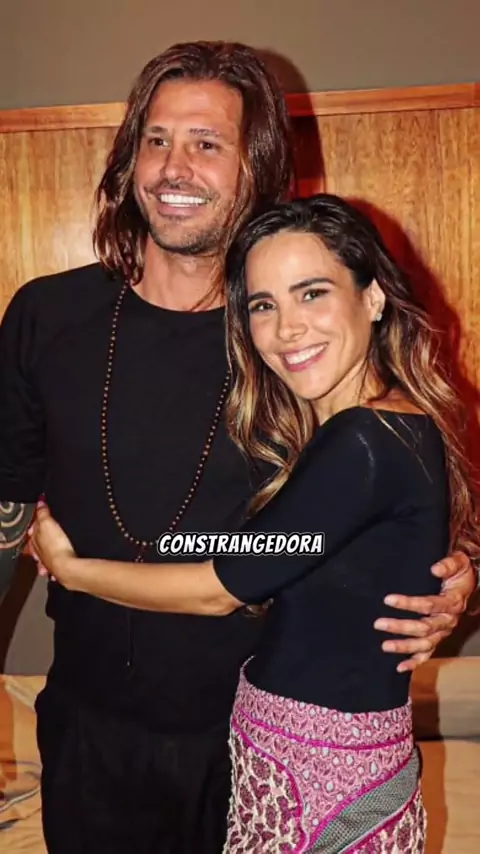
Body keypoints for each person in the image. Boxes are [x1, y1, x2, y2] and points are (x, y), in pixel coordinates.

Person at [0, 41, 475, 854]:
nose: (173, 167)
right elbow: (6, 502)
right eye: (156, 139)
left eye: (207, 143)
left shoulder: (299, 345)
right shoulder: (48, 316)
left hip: (262, 736)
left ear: (257, 166)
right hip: (92, 731)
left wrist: (455, 572)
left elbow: (407, 482)